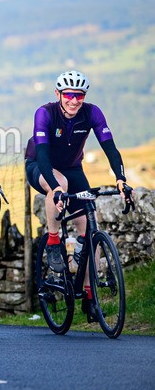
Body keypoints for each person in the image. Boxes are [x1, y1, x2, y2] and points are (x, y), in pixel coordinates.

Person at [24, 70, 131, 322]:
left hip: (73, 168)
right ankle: (52, 241)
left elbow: (110, 148)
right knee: (58, 183)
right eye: (69, 95)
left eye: (79, 95)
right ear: (58, 94)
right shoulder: (45, 113)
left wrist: (121, 178)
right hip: (40, 165)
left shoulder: (92, 113)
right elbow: (41, 154)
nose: (74, 100)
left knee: (89, 231)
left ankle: (89, 297)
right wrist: (56, 187)